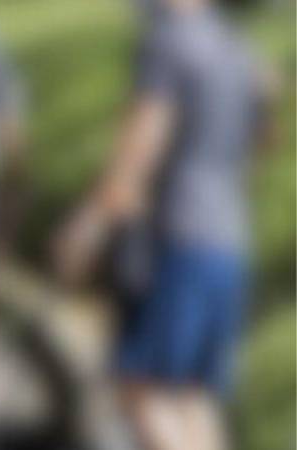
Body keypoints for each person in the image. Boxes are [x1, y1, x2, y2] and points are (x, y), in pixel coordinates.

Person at [53, 1, 270, 448]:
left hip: (180, 238)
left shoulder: (169, 43)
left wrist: (88, 228)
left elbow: (142, 144)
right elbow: (264, 132)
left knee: (143, 389)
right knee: (192, 394)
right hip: (229, 238)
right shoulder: (234, 48)